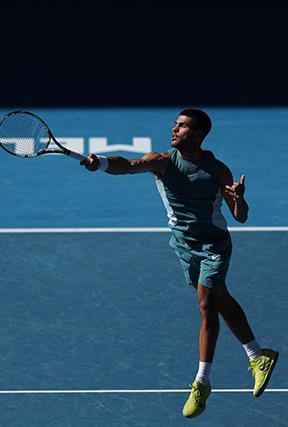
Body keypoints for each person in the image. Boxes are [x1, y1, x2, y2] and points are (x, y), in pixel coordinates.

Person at [80, 108, 279, 418]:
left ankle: (202, 382)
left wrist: (239, 199)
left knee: (207, 304)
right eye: (175, 124)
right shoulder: (162, 162)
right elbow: (128, 165)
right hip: (184, 246)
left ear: (199, 134)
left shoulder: (218, 170)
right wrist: (102, 163)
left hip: (213, 245)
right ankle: (257, 355)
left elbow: (240, 217)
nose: (175, 130)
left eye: (183, 126)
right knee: (221, 300)